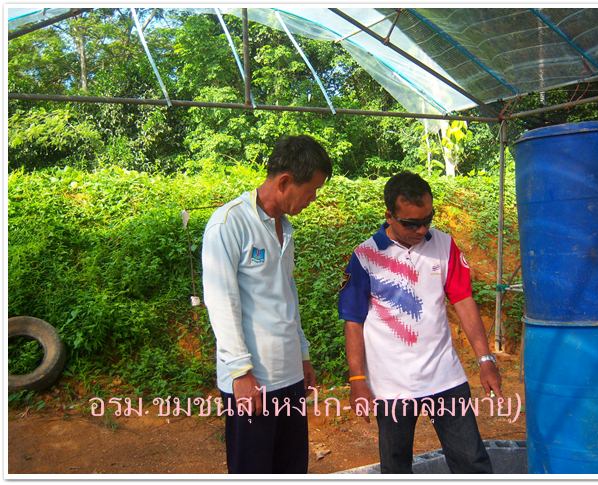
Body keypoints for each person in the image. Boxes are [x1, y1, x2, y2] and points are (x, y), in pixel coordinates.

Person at [338, 171, 502, 474]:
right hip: (391, 385)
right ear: (389, 216)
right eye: (411, 223)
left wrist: (485, 358)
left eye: (428, 219)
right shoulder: (365, 257)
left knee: (472, 461)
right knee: (396, 467)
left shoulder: (444, 246)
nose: (422, 229)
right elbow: (353, 322)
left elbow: (464, 300)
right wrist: (357, 379)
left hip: (445, 377)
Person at [201, 135, 332, 474]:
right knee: (254, 470)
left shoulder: (284, 228)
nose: (313, 199)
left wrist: (302, 354)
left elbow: (287, 294)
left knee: (291, 468)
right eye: (312, 190)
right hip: (253, 380)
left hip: (289, 374)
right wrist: (241, 373)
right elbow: (221, 302)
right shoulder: (230, 224)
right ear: (285, 181)